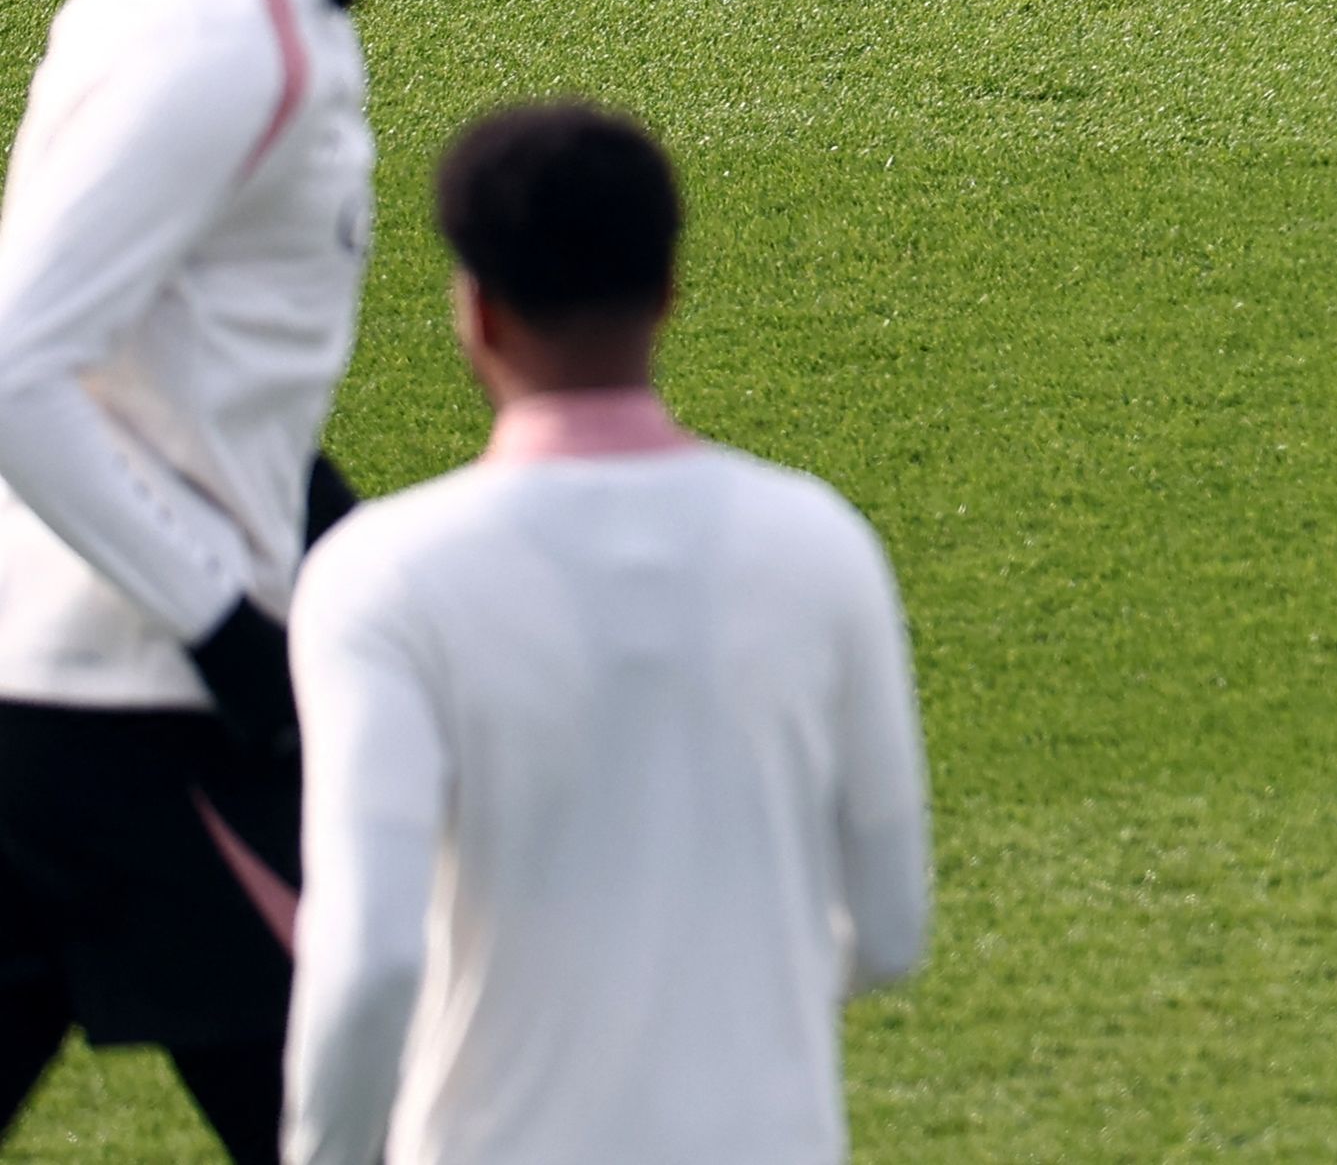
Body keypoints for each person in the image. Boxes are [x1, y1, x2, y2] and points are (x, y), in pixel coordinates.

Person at [0, 0, 471, 1163]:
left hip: (53, 682)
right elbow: (18, 361)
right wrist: (230, 631)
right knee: (381, 1126)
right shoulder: (229, 45)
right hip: (139, 723)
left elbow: (170, 368)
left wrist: (340, 550)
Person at [284, 102, 928, 1165]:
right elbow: (890, 928)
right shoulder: (820, 544)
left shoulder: (382, 577)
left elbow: (368, 962)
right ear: (668, 295)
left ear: (477, 311)